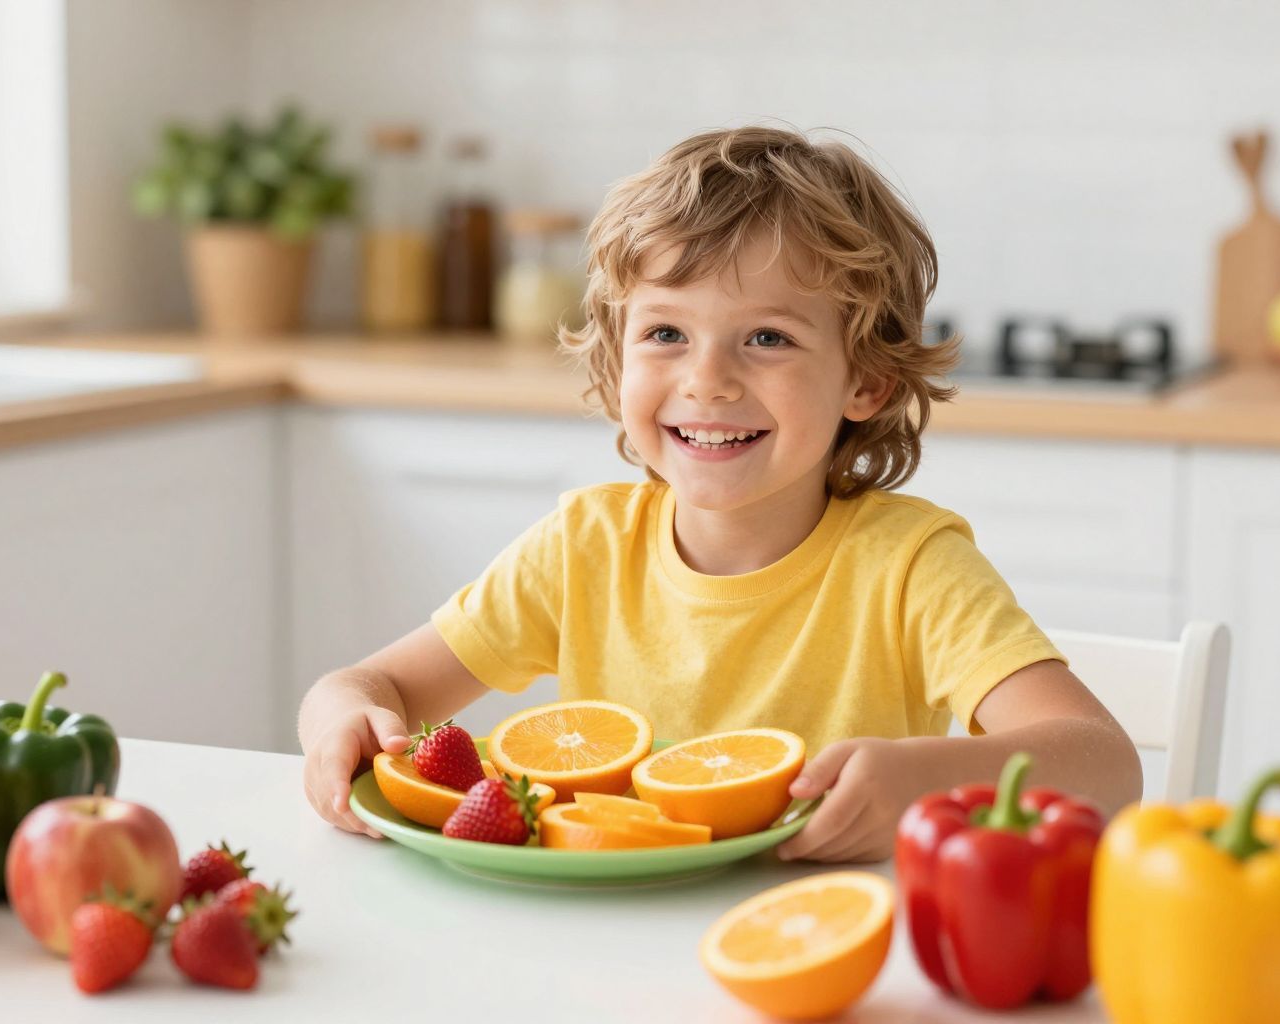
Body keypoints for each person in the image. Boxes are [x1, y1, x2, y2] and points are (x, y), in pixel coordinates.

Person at [299, 125, 1142, 862]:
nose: (707, 382)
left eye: (767, 338)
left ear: (869, 382)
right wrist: (341, 719)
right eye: (666, 333)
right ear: (616, 360)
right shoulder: (584, 548)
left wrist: (927, 780)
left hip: (821, 945)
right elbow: (369, 688)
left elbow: (1105, 763)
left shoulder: (912, 567)